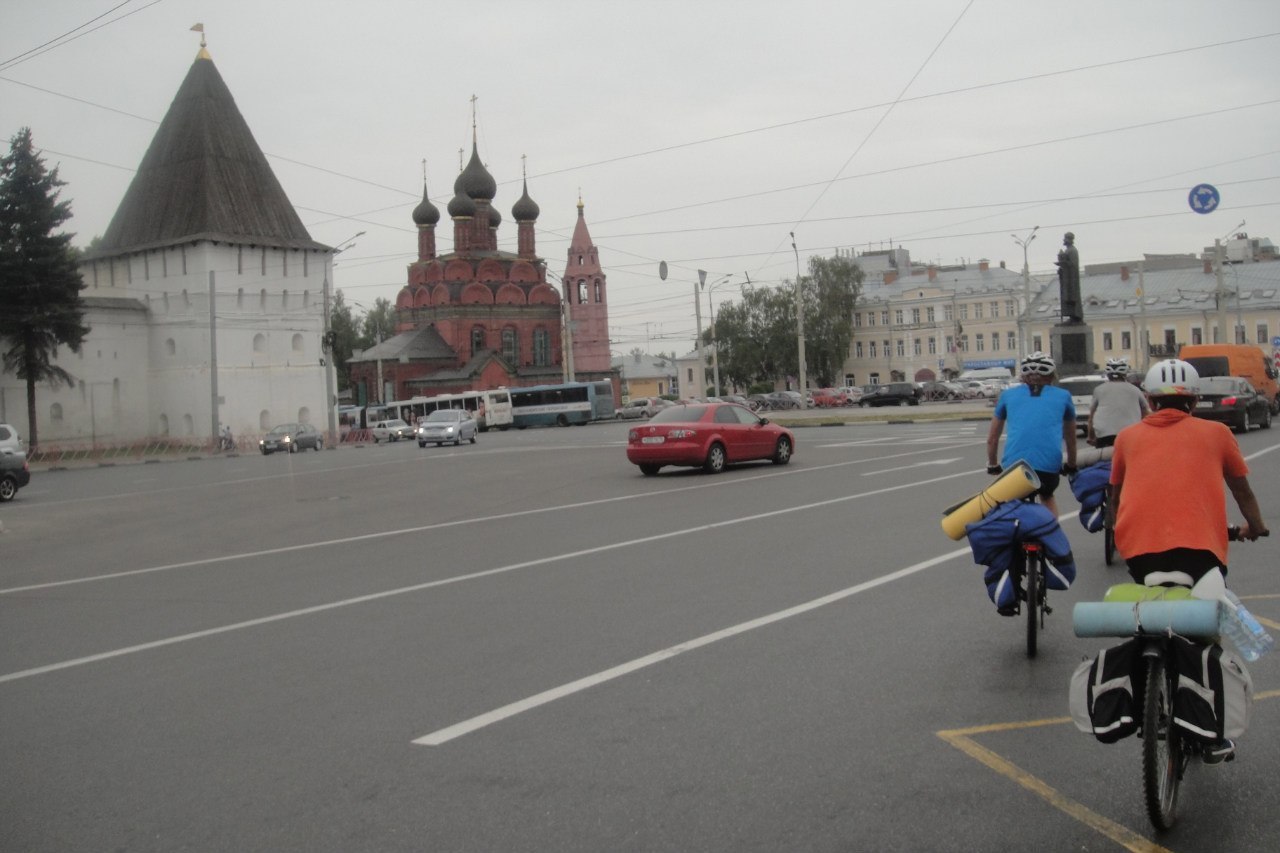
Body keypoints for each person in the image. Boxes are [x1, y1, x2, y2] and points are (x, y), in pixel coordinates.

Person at [1108, 358, 1268, 764]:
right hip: (1199, 552)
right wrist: (1255, 526)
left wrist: (1119, 530)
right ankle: (1208, 729)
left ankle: (1148, 689)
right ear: (1194, 400)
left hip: (1139, 552)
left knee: (1151, 615)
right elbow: (1241, 490)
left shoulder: (1127, 438)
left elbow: (1114, 499)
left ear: (1149, 399)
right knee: (1203, 632)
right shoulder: (1216, 433)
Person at [986, 351, 1078, 518]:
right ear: (1051, 375)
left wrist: (993, 464)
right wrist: (1071, 464)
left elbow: (992, 438)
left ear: (1023, 375)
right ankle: (1051, 537)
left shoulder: (1007, 396)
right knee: (1047, 496)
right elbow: (1071, 439)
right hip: (1048, 467)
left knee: (1012, 504)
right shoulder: (1063, 396)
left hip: (1014, 466)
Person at [1087, 358, 1149, 447]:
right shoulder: (1135, 390)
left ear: (1108, 374)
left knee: (1104, 459)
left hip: (1104, 435)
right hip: (1130, 435)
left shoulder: (1098, 390)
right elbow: (1145, 414)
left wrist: (1090, 436)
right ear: (1125, 373)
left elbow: (1091, 417)